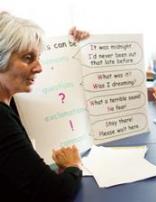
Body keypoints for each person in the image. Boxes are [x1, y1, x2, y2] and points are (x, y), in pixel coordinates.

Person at [0, 11, 89, 202]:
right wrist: (74, 166)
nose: (39, 67)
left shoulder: (10, 103)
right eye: (28, 58)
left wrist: (77, 45)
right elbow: (54, 192)